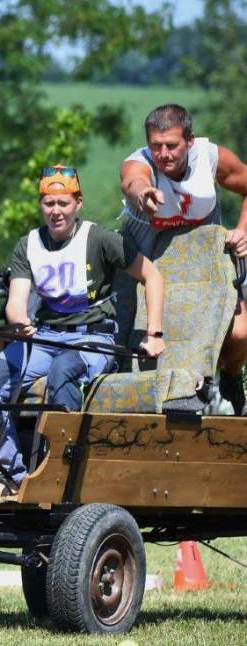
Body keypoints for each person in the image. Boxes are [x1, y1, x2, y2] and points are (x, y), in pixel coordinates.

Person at [0, 166, 166, 497]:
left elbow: (153, 277)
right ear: (41, 205)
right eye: (49, 204)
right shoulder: (28, 244)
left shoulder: (100, 239)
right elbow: (16, 301)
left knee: (63, 372)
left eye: (63, 203)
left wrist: (154, 333)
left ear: (78, 203)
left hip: (93, 338)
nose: (56, 211)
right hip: (44, 338)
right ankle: (12, 477)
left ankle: (65, 477)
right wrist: (19, 320)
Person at [119, 103, 247, 413]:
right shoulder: (140, 164)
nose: (163, 153)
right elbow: (132, 180)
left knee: (241, 333)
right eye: (155, 145)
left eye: (171, 145)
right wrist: (142, 193)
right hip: (147, 261)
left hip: (203, 257)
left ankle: (229, 377)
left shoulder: (211, 158)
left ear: (189, 140)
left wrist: (243, 231)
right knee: (127, 334)